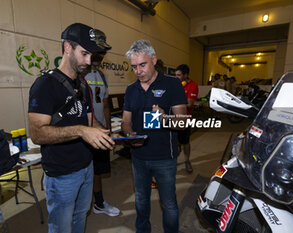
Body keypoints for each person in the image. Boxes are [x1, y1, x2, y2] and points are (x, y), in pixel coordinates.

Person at [28, 23, 116, 233]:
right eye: (84, 53)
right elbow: (37, 133)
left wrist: (105, 132)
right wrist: (80, 131)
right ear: (68, 47)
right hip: (61, 175)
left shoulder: (82, 84)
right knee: (61, 227)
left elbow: (88, 121)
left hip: (86, 167)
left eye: (91, 55)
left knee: (80, 217)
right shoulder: (44, 85)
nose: (89, 61)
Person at [122, 39, 187, 233]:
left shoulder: (172, 84)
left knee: (168, 203)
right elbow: (126, 121)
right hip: (138, 157)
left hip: (164, 158)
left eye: (142, 65)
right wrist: (128, 134)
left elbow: (182, 122)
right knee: (141, 200)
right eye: (134, 67)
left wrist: (164, 118)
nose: (138, 71)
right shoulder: (131, 90)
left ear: (154, 59)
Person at [83, 30, 120, 217]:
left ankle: (98, 203)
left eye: (103, 53)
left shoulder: (102, 76)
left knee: (97, 170)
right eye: (97, 52)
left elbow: (105, 105)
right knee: (82, 173)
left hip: (100, 131)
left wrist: (109, 130)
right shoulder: (79, 75)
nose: (100, 56)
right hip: (83, 134)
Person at [175, 64, 198, 173]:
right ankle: (173, 160)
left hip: (185, 119)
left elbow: (189, 104)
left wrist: (174, 102)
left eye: (179, 75)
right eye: (176, 75)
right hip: (173, 119)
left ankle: (187, 161)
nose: (177, 77)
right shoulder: (175, 84)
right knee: (174, 141)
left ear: (186, 75)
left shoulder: (193, 86)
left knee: (185, 142)